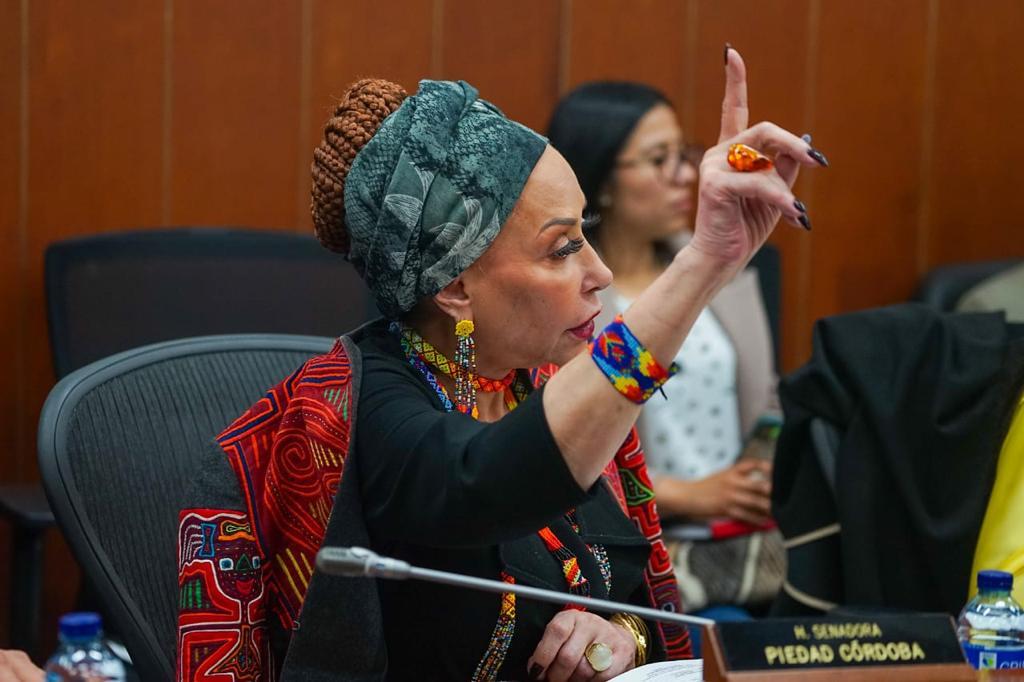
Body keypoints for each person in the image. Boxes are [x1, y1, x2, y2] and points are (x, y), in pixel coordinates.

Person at [177, 47, 822, 681]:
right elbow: (493, 477)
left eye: (586, 232)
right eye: (562, 248)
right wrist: (703, 264)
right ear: (455, 285)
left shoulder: (536, 379)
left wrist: (616, 635)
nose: (599, 272)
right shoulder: (363, 416)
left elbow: (632, 588)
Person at [547, 82, 792, 616]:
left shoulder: (722, 263)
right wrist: (684, 495)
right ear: (602, 179)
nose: (686, 175)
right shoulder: (573, 298)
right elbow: (559, 439)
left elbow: (768, 403)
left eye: (684, 155)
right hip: (640, 553)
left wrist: (763, 474)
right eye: (660, 160)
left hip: (751, 542)